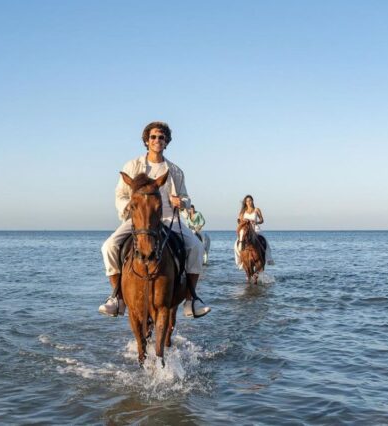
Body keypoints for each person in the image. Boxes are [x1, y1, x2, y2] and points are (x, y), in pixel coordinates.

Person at [99, 121, 211, 318]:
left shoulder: (175, 171)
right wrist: (131, 206)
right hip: (139, 220)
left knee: (196, 247)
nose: (157, 140)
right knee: (108, 246)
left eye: (161, 137)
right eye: (153, 137)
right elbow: (120, 194)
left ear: (166, 142)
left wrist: (181, 202)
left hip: (168, 218)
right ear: (146, 141)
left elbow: (185, 197)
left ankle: (191, 298)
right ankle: (117, 296)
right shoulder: (132, 166)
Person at [234, 194, 275, 268]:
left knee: (265, 240)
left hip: (255, 229)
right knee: (236, 244)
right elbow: (239, 220)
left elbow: (262, 220)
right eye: (247, 201)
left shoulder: (257, 209)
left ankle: (269, 258)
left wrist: (256, 222)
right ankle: (239, 261)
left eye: (250, 200)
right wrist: (244, 220)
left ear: (252, 201)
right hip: (246, 230)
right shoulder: (243, 211)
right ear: (245, 202)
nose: (249, 202)